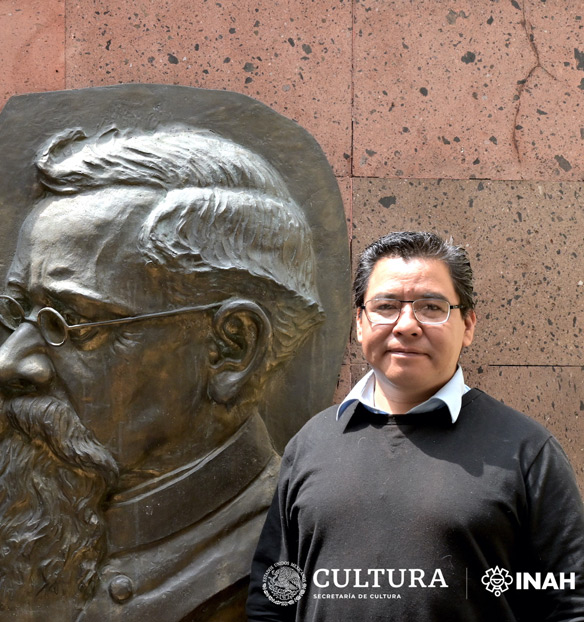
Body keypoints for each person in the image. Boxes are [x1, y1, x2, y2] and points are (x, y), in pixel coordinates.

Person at [0, 126, 327, 621]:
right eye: (19, 310)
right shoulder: (28, 533)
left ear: (232, 347)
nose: (7, 363)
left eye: (75, 321)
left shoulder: (296, 548)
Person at [246, 231, 584, 620]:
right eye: (386, 306)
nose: (406, 325)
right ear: (359, 323)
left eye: (431, 307)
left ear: (468, 325)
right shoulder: (312, 444)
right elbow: (273, 597)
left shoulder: (526, 452)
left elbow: (569, 606)